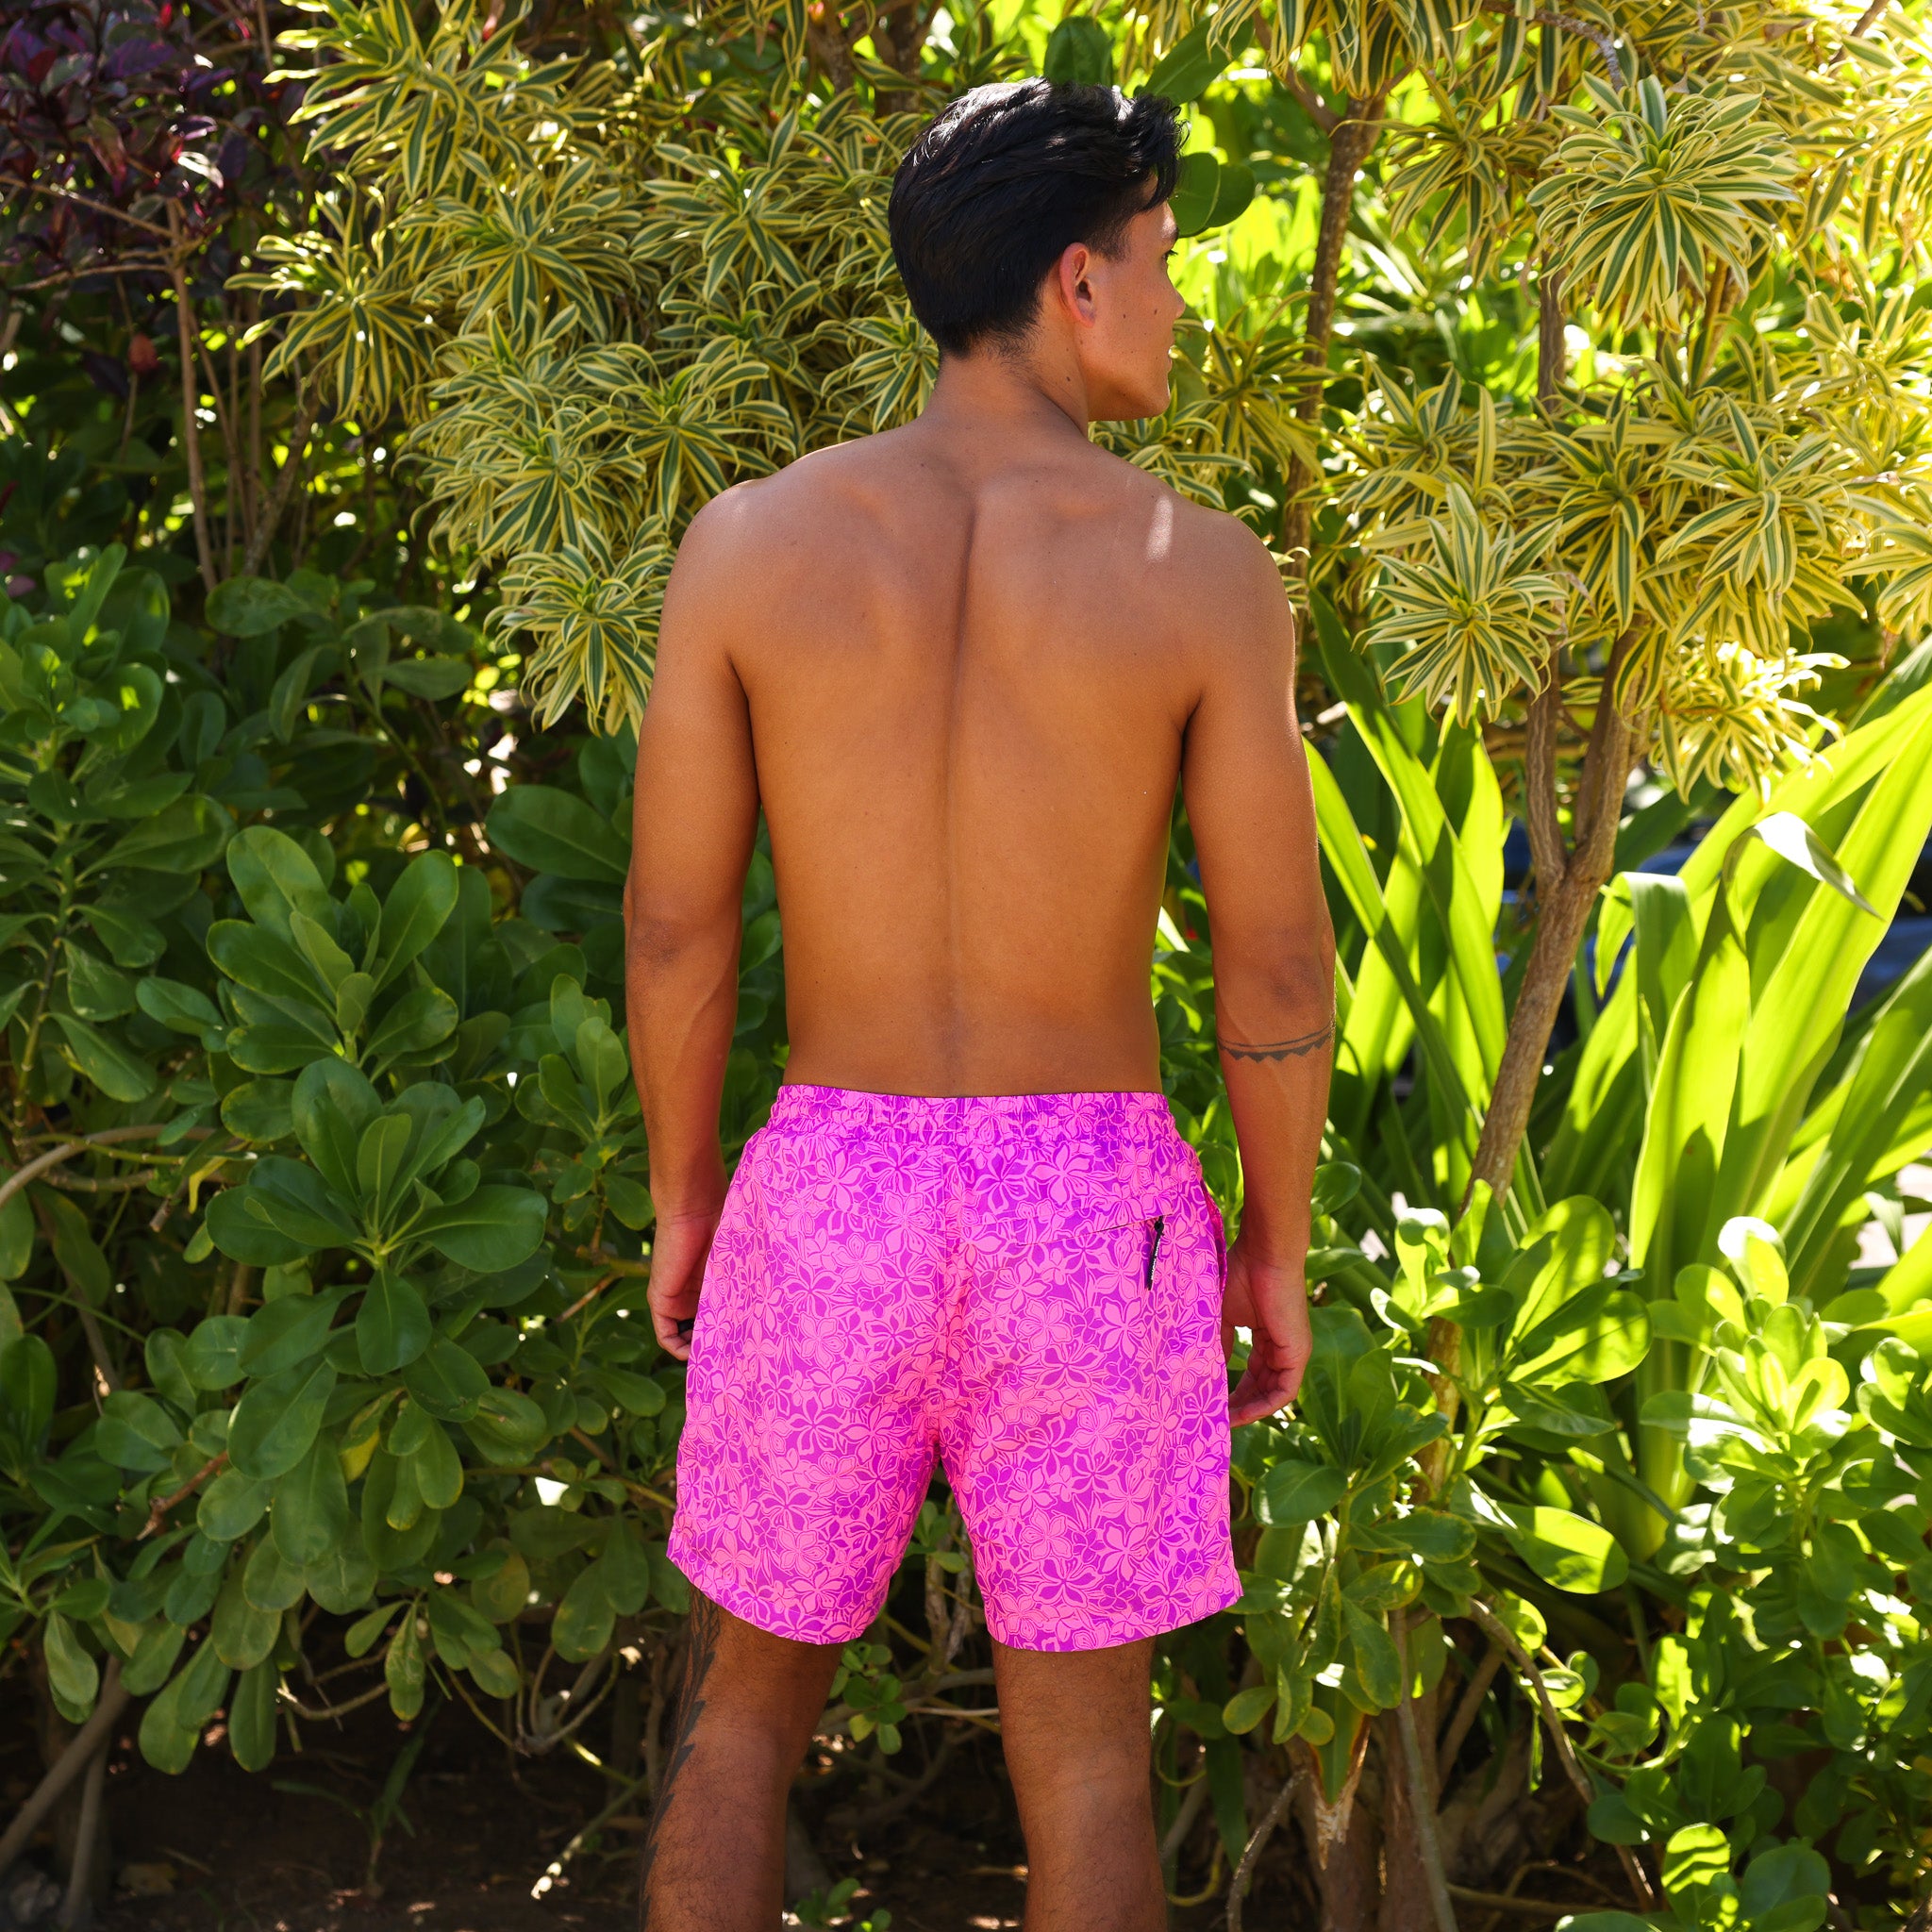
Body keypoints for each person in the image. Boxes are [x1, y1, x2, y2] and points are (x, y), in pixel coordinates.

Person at [622, 76, 1333, 1932]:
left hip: (830, 1193)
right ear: (1076, 282)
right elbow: (1272, 963)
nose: (1177, 302)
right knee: (1089, 1769)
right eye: (1162, 260)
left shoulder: (748, 544)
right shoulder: (1198, 574)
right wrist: (1273, 1242)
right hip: (1092, 1217)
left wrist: (689, 1197)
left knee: (739, 1723)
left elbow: (678, 927)